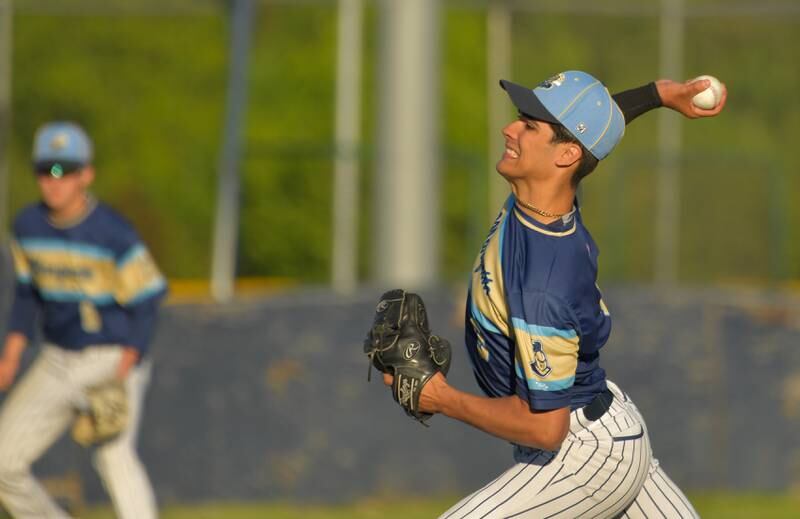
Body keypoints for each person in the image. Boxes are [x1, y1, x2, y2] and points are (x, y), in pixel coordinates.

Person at [385, 72, 726, 518]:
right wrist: (657, 95)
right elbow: (590, 131)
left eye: (529, 125)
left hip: (582, 454)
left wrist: (442, 397)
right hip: (605, 426)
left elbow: (545, 428)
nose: (510, 129)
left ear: (565, 155)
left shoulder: (543, 278)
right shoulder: (546, 195)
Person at [0, 122, 165, 519]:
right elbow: (27, 295)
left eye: (65, 171)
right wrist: (11, 356)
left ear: (85, 175)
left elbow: (148, 300)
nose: (54, 181)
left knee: (113, 455)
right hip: (57, 358)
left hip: (110, 356)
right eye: (46, 171)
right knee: (4, 464)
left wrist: (123, 372)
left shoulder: (113, 234)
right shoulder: (27, 227)